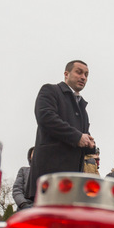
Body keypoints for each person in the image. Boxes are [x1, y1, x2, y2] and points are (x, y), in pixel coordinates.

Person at [27, 60, 95, 200]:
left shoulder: (83, 108)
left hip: (72, 183)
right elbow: (46, 117)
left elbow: (82, 137)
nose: (83, 77)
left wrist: (90, 144)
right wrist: (77, 137)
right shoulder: (50, 90)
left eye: (86, 75)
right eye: (79, 72)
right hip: (49, 177)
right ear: (66, 74)